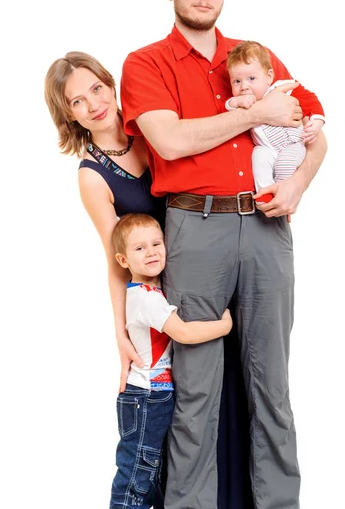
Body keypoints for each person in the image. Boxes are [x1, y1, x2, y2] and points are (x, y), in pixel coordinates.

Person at [120, 0, 328, 509]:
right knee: (196, 393)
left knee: (272, 387)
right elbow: (169, 139)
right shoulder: (146, 63)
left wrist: (298, 183)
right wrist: (257, 113)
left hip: (265, 228)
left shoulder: (254, 54)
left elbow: (313, 130)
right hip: (195, 227)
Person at [44, 52, 167, 508]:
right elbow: (116, 261)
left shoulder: (150, 129)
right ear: (69, 115)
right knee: (151, 447)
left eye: (96, 88)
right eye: (77, 101)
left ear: (110, 85)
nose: (93, 104)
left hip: (201, 277)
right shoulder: (92, 176)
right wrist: (122, 335)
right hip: (156, 302)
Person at [109, 213, 232, 509]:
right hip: (145, 397)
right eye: (139, 248)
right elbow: (184, 332)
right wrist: (224, 325)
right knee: (137, 475)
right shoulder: (146, 298)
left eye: (156, 243)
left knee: (152, 473)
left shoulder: (152, 290)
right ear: (123, 261)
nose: (151, 251)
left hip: (155, 396)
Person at [225, 40, 326, 203]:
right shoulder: (240, 100)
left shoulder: (282, 88)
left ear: (269, 77)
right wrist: (237, 102)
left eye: (251, 78)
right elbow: (228, 106)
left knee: (285, 166)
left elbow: (309, 98)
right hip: (266, 147)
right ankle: (265, 193)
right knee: (258, 159)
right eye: (237, 81)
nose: (243, 86)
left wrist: (317, 120)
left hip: (292, 144)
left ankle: (282, 197)